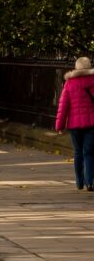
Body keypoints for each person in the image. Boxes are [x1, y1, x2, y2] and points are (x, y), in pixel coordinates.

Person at [56, 57, 94, 191]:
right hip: (92, 124)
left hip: (74, 125)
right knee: (89, 153)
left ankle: (79, 181)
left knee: (78, 152)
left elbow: (63, 106)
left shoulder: (69, 83)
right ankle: (90, 182)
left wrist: (59, 125)